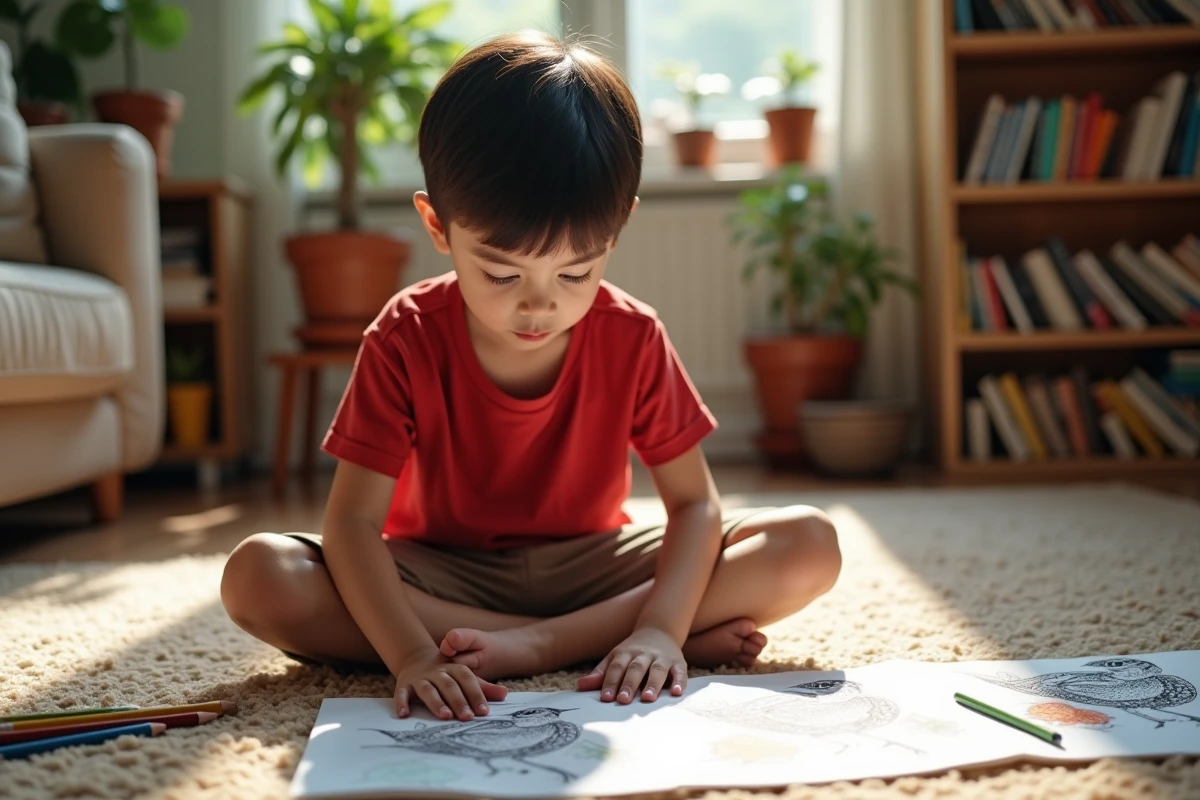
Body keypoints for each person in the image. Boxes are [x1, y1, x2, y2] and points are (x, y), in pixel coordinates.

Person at [220, 30, 841, 724]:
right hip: (441, 569)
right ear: (437, 224)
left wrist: (660, 629)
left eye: (576, 272)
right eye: (501, 272)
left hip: (592, 567)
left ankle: (539, 644)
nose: (539, 303)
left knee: (806, 544)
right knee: (260, 576)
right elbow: (353, 525)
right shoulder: (406, 335)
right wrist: (411, 657)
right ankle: (568, 640)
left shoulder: (632, 334)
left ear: (617, 229)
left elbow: (696, 507)